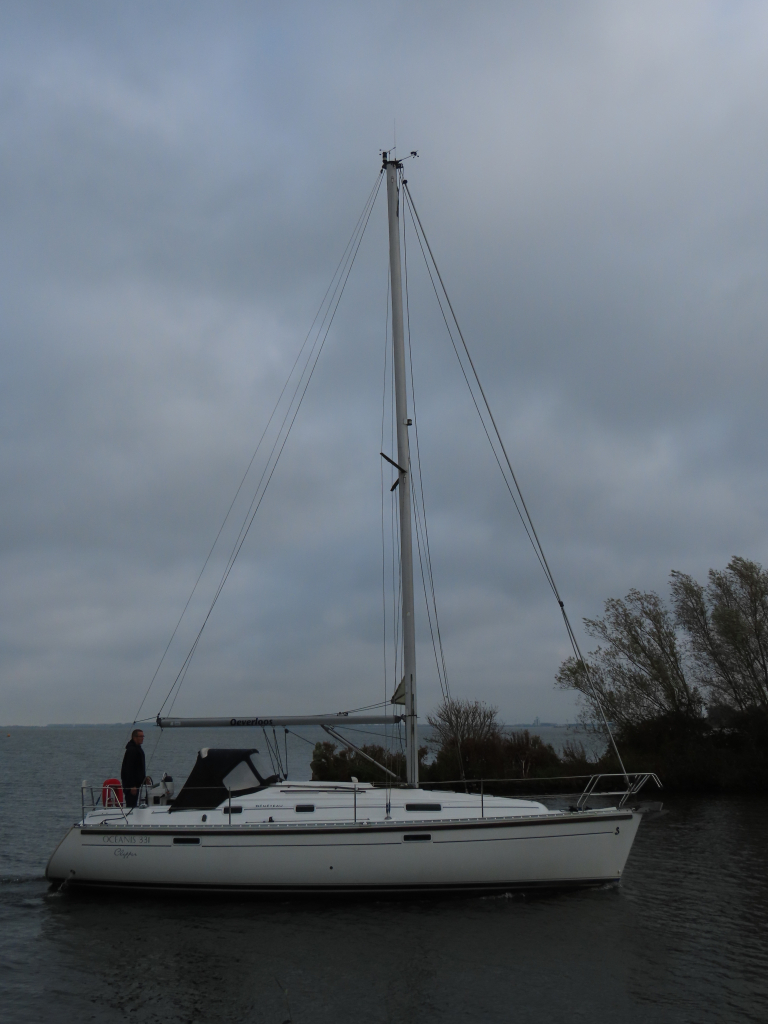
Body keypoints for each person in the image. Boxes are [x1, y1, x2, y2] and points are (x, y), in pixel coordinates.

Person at [121, 728, 151, 808]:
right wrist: (132, 785)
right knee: (131, 805)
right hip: (131, 786)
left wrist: (143, 778)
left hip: (136, 784)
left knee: (134, 804)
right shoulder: (132, 750)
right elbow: (129, 769)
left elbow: (138, 768)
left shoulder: (138, 749)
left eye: (143, 736)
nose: (142, 738)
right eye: (140, 736)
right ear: (134, 737)